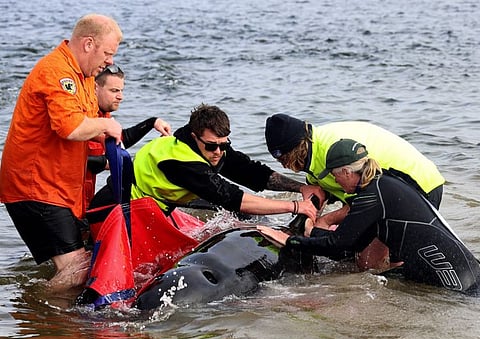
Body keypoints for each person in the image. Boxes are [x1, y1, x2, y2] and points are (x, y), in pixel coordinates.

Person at [257, 139, 480, 294]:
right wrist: (313, 231)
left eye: (335, 177)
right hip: (459, 271)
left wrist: (289, 240)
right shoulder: (382, 184)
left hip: (457, 282)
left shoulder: (371, 197)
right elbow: (350, 246)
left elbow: (336, 245)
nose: (336, 183)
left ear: (346, 171)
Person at [0, 14, 123, 291]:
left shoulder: (85, 78)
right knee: (78, 269)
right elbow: (71, 128)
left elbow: (91, 129)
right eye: (108, 53)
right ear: (88, 44)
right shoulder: (57, 73)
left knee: (83, 263)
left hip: (58, 188)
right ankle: (35, 305)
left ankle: (54, 315)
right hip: (34, 186)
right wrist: (105, 124)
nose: (110, 61)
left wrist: (111, 137)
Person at [91, 103, 321, 219]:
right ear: (194, 137)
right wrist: (295, 207)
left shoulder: (213, 148)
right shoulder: (182, 162)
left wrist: (300, 187)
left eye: (224, 144)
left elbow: (252, 172)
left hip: (156, 205)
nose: (218, 151)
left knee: (243, 215)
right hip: (117, 208)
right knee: (238, 209)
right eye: (212, 146)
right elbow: (234, 198)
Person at [264, 113, 445, 209]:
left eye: (283, 159)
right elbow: (321, 196)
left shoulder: (333, 152)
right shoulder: (312, 153)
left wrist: (326, 222)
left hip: (418, 185)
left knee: (370, 260)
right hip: (389, 189)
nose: (283, 165)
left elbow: (364, 205)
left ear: (296, 148)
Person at [85, 64, 171, 209]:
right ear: (95, 88)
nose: (120, 97)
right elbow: (71, 160)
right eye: (114, 91)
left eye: (121, 90)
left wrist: (152, 123)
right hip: (61, 197)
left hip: (84, 193)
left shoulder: (103, 114)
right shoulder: (83, 116)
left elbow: (119, 139)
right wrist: (106, 162)